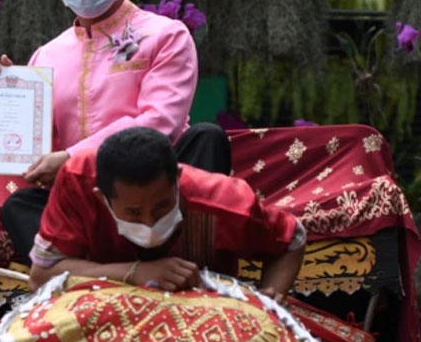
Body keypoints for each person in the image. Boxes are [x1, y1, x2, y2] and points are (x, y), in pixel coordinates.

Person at [0, 0, 230, 258]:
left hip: (154, 192)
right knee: (20, 205)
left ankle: (164, 258)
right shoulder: (45, 56)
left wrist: (72, 158)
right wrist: (5, 93)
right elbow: (34, 150)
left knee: (206, 138)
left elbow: (159, 124)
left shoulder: (166, 35)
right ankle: (107, 269)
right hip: (84, 201)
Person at [28, 127, 305, 298]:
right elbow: (41, 275)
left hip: (205, 321)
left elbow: (292, 238)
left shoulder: (224, 200)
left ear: (179, 179)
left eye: (162, 206)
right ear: (101, 198)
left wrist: (271, 300)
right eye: (133, 213)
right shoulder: (78, 181)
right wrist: (134, 272)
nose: (150, 222)